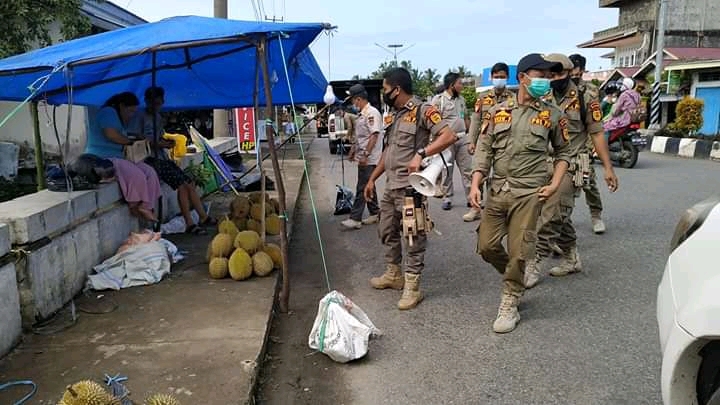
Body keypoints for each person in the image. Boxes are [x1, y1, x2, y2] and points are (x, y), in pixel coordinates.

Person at [468, 53, 571, 334]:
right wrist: (476, 183)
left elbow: (564, 153)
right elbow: (484, 149)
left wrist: (554, 183)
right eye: (541, 75)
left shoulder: (551, 114)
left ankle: (510, 299)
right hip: (498, 189)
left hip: (529, 193)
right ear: (523, 78)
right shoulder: (497, 111)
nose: (546, 81)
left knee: (519, 249)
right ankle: (516, 276)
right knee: (486, 246)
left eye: (549, 77)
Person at [364, 67, 458, 310]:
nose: (384, 93)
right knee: (386, 230)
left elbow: (448, 136)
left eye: (385, 89)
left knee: (413, 236)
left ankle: (412, 287)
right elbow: (389, 151)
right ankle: (394, 274)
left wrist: (421, 153)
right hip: (390, 186)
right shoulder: (393, 115)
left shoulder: (423, 111)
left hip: (410, 188)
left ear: (397, 89)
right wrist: (373, 178)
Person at [524, 54, 619, 289]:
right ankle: (571, 257)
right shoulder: (542, 96)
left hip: (576, 161)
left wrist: (608, 168)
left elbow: (597, 132)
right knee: (555, 211)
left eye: (559, 75)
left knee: (554, 212)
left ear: (570, 73)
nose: (553, 79)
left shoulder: (587, 97)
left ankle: (535, 262)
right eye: (550, 75)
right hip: (543, 162)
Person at [132, 86, 216, 234]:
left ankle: (202, 217)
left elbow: (160, 136)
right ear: (146, 101)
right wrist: (159, 143)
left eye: (158, 103)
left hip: (162, 156)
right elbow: (138, 140)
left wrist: (167, 142)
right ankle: (189, 223)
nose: (156, 106)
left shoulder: (158, 117)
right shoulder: (139, 116)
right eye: (153, 103)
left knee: (188, 183)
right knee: (182, 184)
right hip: (149, 159)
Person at [85, 92, 162, 224]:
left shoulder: (117, 117)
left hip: (120, 156)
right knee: (136, 174)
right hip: (104, 157)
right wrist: (130, 142)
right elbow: (111, 135)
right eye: (130, 111)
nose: (131, 115)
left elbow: (121, 134)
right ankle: (134, 205)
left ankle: (147, 206)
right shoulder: (108, 112)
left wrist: (135, 137)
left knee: (150, 172)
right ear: (121, 106)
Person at [467, 62, 517, 221]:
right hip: (485, 140)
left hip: (505, 142)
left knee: (501, 177)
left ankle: (495, 208)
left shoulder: (513, 99)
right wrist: (471, 141)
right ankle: (475, 208)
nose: (499, 80)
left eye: (502, 77)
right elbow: (475, 121)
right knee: (478, 173)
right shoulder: (483, 98)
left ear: (507, 78)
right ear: (491, 77)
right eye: (496, 77)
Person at [569, 53, 607, 234]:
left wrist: (593, 148)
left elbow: (594, 125)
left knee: (587, 183)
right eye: (571, 72)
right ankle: (563, 220)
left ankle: (596, 215)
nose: (574, 75)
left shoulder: (591, 91)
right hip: (561, 147)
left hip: (582, 147)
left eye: (577, 72)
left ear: (583, 71)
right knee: (563, 188)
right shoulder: (557, 89)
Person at [431, 72, 472, 213]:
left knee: (467, 169)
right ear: (451, 85)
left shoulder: (462, 100)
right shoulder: (438, 100)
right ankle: (447, 198)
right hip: (446, 141)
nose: (462, 85)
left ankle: (471, 198)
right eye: (459, 83)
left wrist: (470, 134)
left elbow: (466, 117)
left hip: (462, 139)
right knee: (447, 170)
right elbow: (433, 122)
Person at [342, 84, 383, 229]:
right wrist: (353, 149)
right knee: (368, 184)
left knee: (362, 186)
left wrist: (366, 154)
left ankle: (355, 218)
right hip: (363, 156)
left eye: (353, 101)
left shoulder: (372, 113)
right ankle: (375, 212)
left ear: (358, 99)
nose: (352, 104)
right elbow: (361, 137)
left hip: (370, 158)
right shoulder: (362, 115)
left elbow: (374, 135)